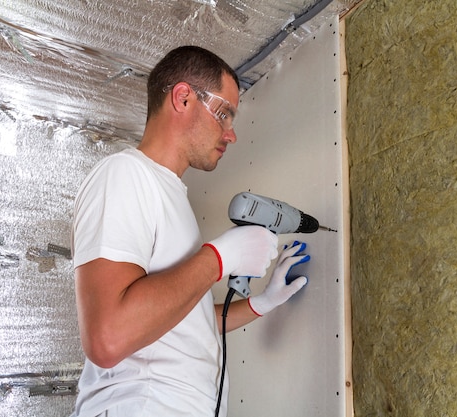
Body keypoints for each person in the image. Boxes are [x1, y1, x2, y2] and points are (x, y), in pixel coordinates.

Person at [71, 46, 310, 417]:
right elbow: (107, 338)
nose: (230, 134)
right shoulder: (123, 175)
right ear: (182, 98)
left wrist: (261, 304)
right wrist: (218, 259)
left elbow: (180, 320)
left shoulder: (173, 197)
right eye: (224, 113)